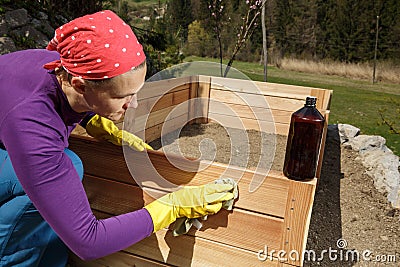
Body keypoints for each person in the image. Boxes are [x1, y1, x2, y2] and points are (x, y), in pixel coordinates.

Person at [0, 10, 235, 266]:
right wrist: (170, 207)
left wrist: (92, 119)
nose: (132, 105)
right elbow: (89, 242)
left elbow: (68, 100)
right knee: (65, 172)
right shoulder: (32, 124)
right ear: (80, 86)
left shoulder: (66, 65)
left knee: (64, 179)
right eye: (123, 97)